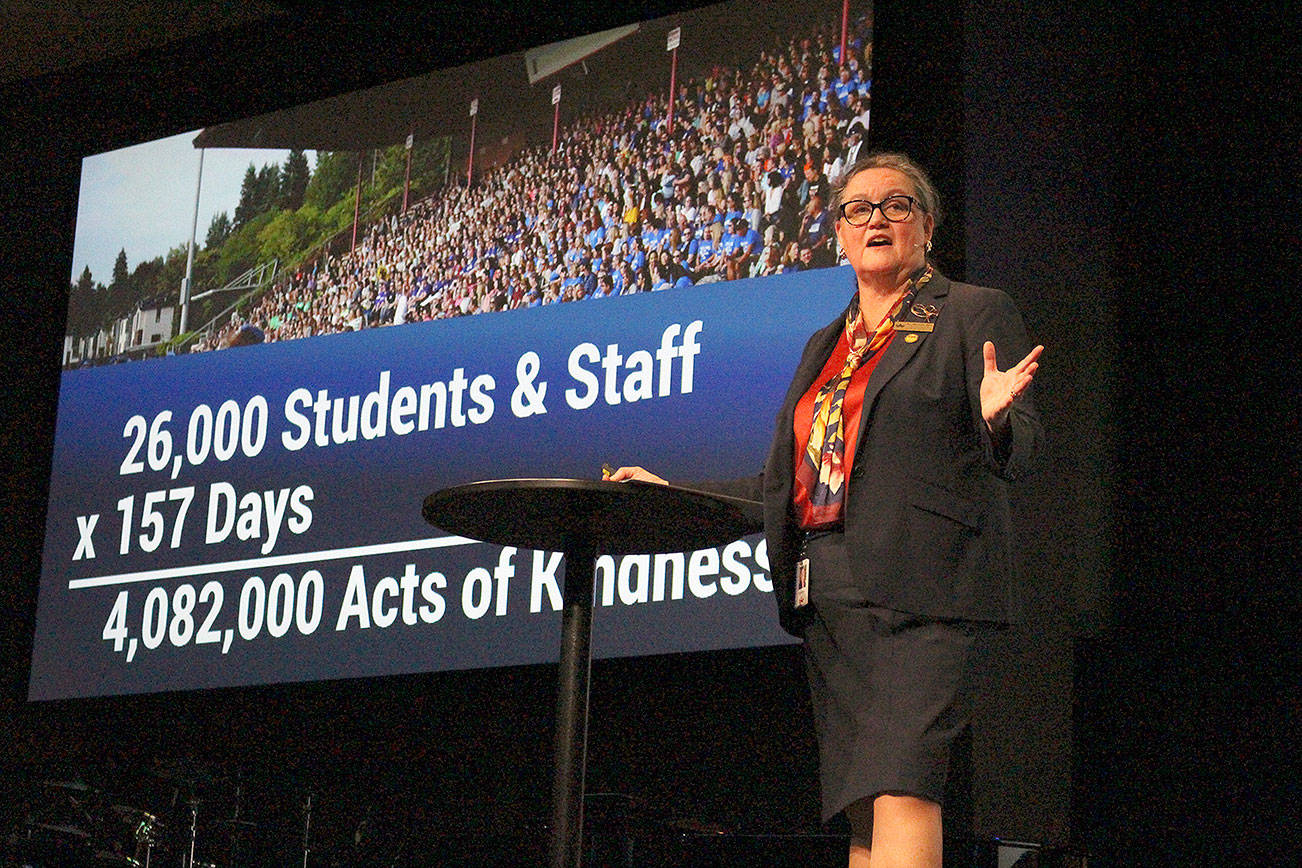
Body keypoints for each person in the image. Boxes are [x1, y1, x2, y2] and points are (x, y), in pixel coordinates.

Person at [609, 152, 1043, 868]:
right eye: (858, 208)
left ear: (926, 226)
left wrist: (996, 419)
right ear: (838, 233)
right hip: (831, 600)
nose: (876, 218)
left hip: (927, 594)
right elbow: (787, 482)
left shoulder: (972, 311)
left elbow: (1026, 447)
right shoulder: (825, 345)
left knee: (903, 786)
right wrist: (674, 494)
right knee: (867, 813)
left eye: (896, 206)